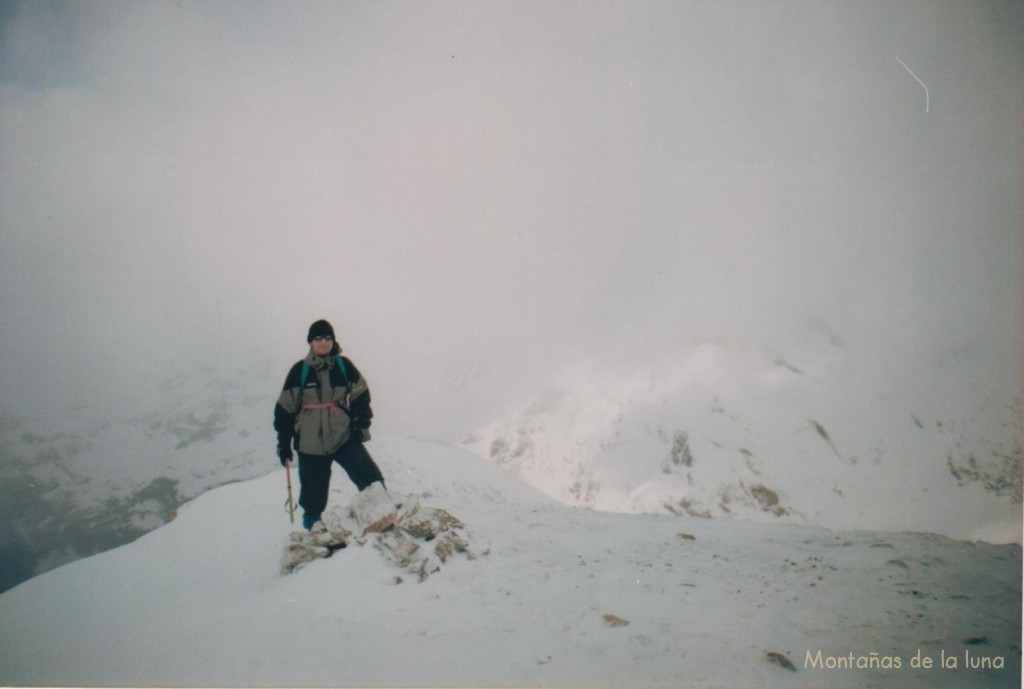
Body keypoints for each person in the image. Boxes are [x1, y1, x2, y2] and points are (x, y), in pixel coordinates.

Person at [274, 319, 385, 530]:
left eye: (328, 338)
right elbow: (284, 409)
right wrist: (283, 443)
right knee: (313, 495)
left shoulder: (344, 366)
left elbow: (361, 395)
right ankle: (314, 529)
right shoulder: (300, 371)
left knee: (370, 478)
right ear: (310, 342)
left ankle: (383, 513)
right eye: (318, 338)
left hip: (343, 436)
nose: (323, 342)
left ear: (334, 341)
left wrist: (361, 424)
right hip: (310, 442)